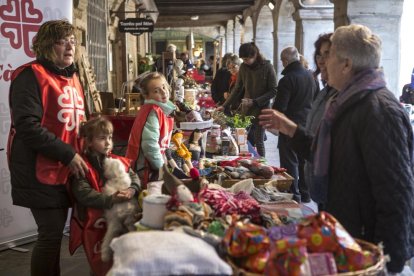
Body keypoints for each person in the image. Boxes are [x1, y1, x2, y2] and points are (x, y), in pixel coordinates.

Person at [259, 24, 414, 273]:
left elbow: (396, 191)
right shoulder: (346, 101)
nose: (322, 62)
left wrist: (386, 262)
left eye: (329, 55)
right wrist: (291, 129)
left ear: (346, 65)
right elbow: (332, 156)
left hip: (365, 245)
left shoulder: (379, 110)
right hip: (346, 234)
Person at [6, 20, 89, 276]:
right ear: (45, 45)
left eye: (72, 41)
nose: (70, 46)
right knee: (50, 235)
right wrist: (68, 153)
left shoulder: (72, 76)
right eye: (62, 41)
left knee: (53, 236)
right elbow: (27, 126)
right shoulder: (30, 75)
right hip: (38, 168)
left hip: (66, 168)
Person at [69, 117, 141, 276]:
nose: (108, 142)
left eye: (109, 137)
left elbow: (134, 177)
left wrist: (131, 190)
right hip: (95, 221)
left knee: (122, 256)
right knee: (100, 260)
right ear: (88, 142)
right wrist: (110, 199)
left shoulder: (118, 160)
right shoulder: (82, 165)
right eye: (102, 138)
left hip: (121, 217)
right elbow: (83, 192)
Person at [218, 42, 277, 157]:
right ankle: (243, 161)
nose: (244, 62)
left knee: (259, 140)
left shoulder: (267, 67)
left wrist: (255, 101)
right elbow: (237, 88)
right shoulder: (244, 68)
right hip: (246, 109)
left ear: (255, 55)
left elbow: (274, 90)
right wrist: (224, 105)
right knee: (241, 138)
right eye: (243, 59)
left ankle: (262, 165)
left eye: (246, 59)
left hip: (262, 109)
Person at [273, 46, 316, 203]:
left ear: (285, 60)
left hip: (289, 126)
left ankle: (293, 194)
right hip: (307, 124)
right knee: (303, 160)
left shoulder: (287, 80)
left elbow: (279, 109)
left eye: (282, 61)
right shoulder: (311, 77)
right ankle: (305, 193)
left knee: (289, 161)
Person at [305, 33, 338, 207]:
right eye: (319, 55)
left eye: (328, 54)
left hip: (338, 194)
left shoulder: (346, 98)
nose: (322, 61)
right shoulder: (326, 92)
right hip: (322, 188)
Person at [125, 72, 175, 186]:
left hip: (153, 164)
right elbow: (149, 145)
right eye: (156, 91)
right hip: (144, 169)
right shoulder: (152, 112)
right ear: (147, 96)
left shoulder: (161, 108)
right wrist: (163, 169)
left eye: (163, 87)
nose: (163, 92)